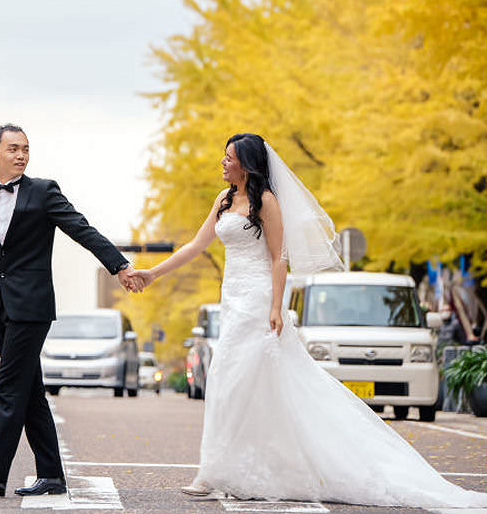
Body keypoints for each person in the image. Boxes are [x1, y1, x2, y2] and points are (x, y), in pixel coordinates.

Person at [132, 133, 487, 508]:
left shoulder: (266, 202)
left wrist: (275, 307)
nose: (223, 162)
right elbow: (195, 245)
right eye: (223, 156)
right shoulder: (222, 200)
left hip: (257, 300)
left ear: (247, 164)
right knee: (228, 380)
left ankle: (219, 472)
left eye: (229, 157)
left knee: (240, 378)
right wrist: (153, 273)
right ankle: (221, 470)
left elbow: (278, 259)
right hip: (232, 299)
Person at [0, 124, 140, 498]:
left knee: (7, 389)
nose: (21, 155)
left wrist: (118, 266)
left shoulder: (43, 191)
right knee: (30, 390)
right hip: (0, 306)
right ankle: (51, 474)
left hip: (32, 306)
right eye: (13, 149)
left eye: (25, 149)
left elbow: (80, 229)